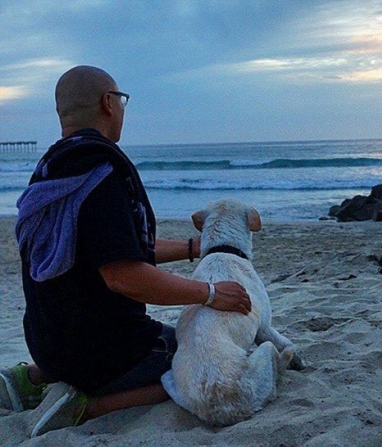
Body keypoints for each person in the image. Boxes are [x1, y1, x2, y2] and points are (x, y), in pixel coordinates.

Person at [0, 66, 252, 437]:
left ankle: (34, 378)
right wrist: (211, 293)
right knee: (193, 363)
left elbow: (116, 250)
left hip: (48, 342)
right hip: (105, 353)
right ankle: (85, 408)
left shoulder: (53, 171)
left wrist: (192, 248)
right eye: (122, 100)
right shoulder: (101, 173)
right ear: (108, 103)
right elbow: (123, 276)